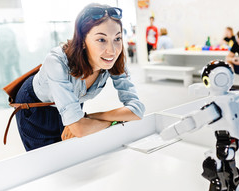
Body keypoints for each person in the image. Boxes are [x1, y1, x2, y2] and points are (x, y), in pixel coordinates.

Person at [14, 3, 145, 151]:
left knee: (73, 153)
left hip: (70, 102)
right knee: (47, 163)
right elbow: (79, 129)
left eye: (117, 38)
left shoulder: (114, 60)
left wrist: (89, 118)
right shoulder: (56, 62)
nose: (112, 51)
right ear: (82, 41)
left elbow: (137, 110)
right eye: (101, 40)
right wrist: (112, 121)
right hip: (37, 108)